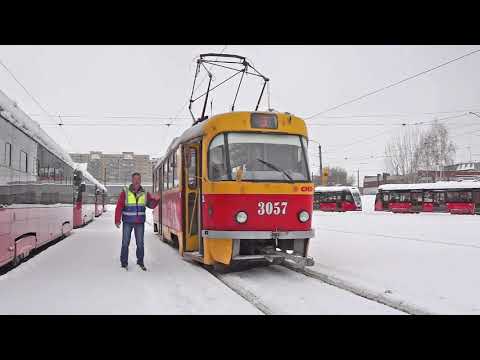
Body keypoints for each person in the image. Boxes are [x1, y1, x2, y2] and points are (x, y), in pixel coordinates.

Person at [115, 172, 160, 271]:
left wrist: (156, 200)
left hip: (139, 223)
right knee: (125, 243)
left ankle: (140, 262)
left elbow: (151, 206)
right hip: (127, 222)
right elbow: (119, 206)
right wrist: (117, 220)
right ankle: (124, 263)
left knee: (140, 243)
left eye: (138, 179)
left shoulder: (145, 193)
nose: (136, 181)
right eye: (135, 179)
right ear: (132, 180)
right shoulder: (125, 192)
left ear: (140, 181)